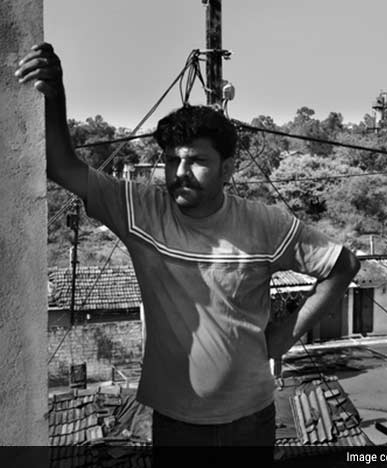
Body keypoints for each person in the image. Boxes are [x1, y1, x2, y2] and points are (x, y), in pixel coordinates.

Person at [16, 43, 360, 450]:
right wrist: (55, 95)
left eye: (196, 160)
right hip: (175, 423)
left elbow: (343, 266)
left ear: (228, 168)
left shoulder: (264, 224)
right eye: (171, 160)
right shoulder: (141, 210)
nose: (180, 173)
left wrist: (287, 335)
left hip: (250, 419)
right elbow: (61, 166)